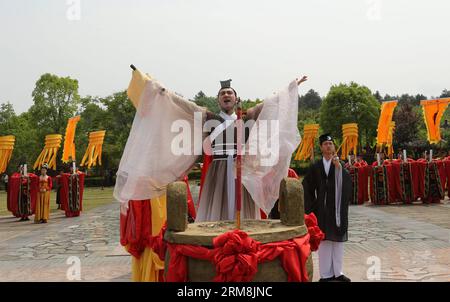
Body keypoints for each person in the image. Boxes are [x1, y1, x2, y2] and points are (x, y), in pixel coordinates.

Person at [114, 68, 307, 223]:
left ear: (236, 98)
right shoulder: (208, 117)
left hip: (241, 171)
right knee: (218, 214)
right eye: (222, 93)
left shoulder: (247, 116)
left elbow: (270, 103)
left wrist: (291, 88)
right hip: (219, 170)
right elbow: (183, 105)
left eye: (229, 92)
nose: (226, 95)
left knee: (245, 217)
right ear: (218, 100)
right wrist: (163, 93)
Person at [302, 134, 352, 282]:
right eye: (325, 144)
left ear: (334, 147)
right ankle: (326, 274)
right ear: (321, 147)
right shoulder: (316, 166)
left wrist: (338, 169)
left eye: (331, 143)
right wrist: (311, 207)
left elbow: (347, 183)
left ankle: (338, 272)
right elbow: (307, 187)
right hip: (321, 209)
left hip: (337, 208)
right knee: (324, 240)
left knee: (337, 240)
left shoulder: (339, 164)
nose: (328, 146)